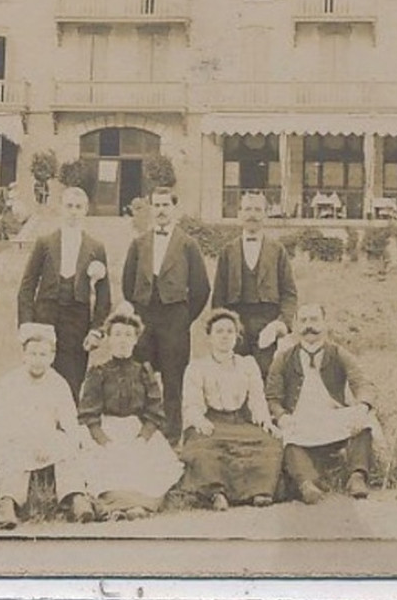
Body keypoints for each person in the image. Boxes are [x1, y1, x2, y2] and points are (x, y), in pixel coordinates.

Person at [0, 323, 88, 530]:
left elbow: (69, 421)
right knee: (11, 455)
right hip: (15, 436)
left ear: (52, 357)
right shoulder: (10, 382)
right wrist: (24, 441)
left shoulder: (58, 383)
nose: (37, 360)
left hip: (47, 437)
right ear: (24, 355)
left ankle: (76, 497)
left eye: (43, 355)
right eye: (33, 354)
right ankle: (8, 503)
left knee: (69, 448)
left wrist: (51, 443)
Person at [75, 307, 184, 520]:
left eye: (128, 335)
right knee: (107, 461)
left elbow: (154, 410)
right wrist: (104, 440)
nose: (122, 340)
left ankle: (139, 507)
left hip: (137, 429)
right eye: (117, 335)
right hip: (106, 428)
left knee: (149, 462)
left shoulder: (144, 371)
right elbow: (89, 414)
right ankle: (112, 507)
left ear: (136, 340)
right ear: (108, 340)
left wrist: (143, 437)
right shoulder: (98, 372)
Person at [121, 186, 210, 443]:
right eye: (157, 205)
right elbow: (128, 284)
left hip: (175, 321)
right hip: (144, 320)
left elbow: (201, 287)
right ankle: (139, 433)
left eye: (165, 205)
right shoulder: (139, 244)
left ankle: (171, 438)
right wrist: (139, 311)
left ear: (174, 209)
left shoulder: (188, 244)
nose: (161, 210)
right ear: (151, 208)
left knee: (173, 380)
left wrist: (183, 318)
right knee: (140, 376)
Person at [265, 303, 378, 504]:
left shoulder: (337, 353)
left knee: (365, 422)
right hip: (300, 419)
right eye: (304, 321)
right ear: (296, 325)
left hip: (331, 416)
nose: (309, 326)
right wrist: (282, 416)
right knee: (287, 437)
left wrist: (361, 407)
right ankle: (307, 484)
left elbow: (362, 382)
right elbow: (272, 397)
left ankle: (357, 476)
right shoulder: (283, 358)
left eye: (314, 320)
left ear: (324, 324)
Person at [178, 309, 283, 510]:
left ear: (237, 337)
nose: (225, 336)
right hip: (212, 422)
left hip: (240, 422)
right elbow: (191, 404)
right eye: (219, 331)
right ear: (209, 337)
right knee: (203, 448)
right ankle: (216, 493)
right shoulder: (197, 367)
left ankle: (259, 491)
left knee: (271, 442)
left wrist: (264, 421)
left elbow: (257, 399)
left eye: (229, 331)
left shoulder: (248, 364)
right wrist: (199, 421)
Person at [16, 185, 112, 399]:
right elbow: (27, 287)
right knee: (39, 379)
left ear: (86, 210)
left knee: (72, 382)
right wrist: (26, 324)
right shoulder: (45, 243)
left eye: (78, 207)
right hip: (45, 319)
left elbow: (104, 296)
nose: (73, 211)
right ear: (61, 208)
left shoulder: (95, 247)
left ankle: (67, 429)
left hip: (77, 323)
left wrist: (96, 329)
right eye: (69, 206)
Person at [210, 191, 298, 379]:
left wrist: (281, 324)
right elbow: (218, 296)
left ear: (265, 214)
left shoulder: (277, 250)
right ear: (240, 213)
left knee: (265, 375)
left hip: (267, 322)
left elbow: (289, 294)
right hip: (236, 322)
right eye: (247, 209)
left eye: (257, 209)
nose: (252, 214)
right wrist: (220, 328)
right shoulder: (228, 251)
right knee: (232, 375)